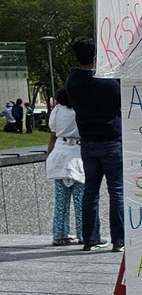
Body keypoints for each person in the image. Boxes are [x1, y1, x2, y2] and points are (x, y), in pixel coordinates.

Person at [65, 38, 124, 252]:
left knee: (91, 191)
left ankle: (90, 239)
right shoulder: (108, 82)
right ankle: (120, 240)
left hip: (87, 142)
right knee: (116, 190)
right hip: (111, 140)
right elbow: (122, 100)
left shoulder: (72, 81)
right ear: (97, 55)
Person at [45, 87, 84, 245]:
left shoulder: (57, 111)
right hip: (78, 155)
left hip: (59, 154)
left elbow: (53, 134)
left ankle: (60, 234)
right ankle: (84, 234)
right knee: (81, 201)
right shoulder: (81, 109)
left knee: (61, 201)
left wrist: (49, 157)